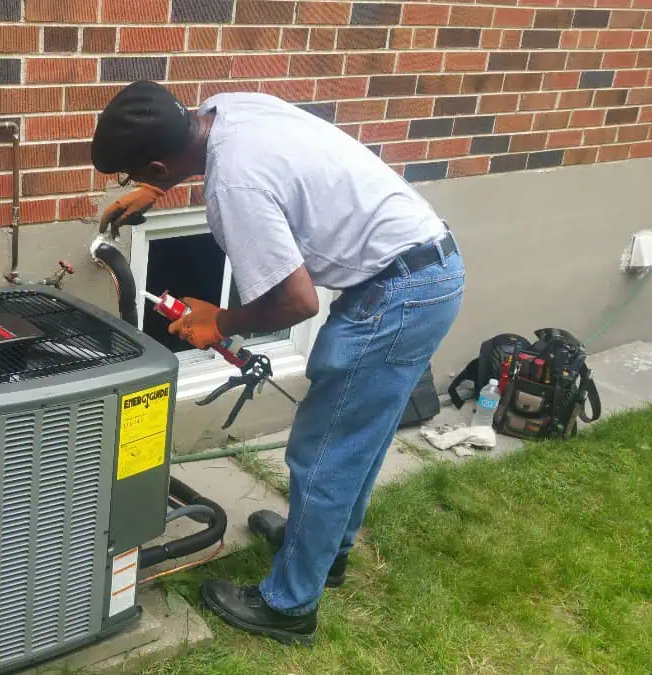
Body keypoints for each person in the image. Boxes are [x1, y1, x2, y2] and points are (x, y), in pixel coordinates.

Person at [91, 81, 466, 646]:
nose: (133, 185)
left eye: (135, 175)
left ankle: (289, 607)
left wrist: (221, 322)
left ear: (158, 161)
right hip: (423, 270)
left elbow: (297, 302)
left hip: (397, 296)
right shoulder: (226, 106)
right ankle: (323, 556)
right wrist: (156, 188)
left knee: (324, 452)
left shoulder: (235, 185)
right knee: (356, 440)